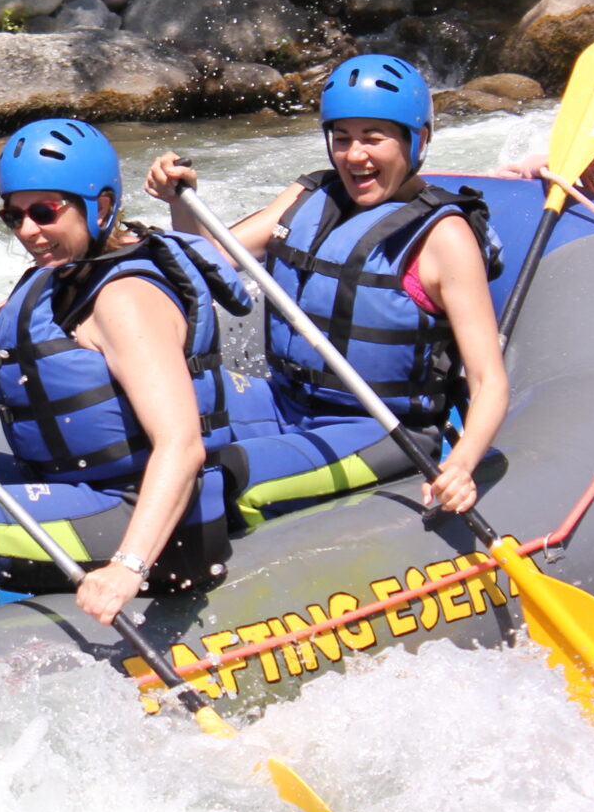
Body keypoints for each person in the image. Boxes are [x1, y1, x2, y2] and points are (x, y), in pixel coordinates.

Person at [0, 119, 251, 625]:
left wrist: (126, 567)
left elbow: (181, 445)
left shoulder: (126, 300)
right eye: (14, 216)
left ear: (99, 207)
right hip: (70, 487)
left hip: (139, 516)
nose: (28, 231)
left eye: (45, 212)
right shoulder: (54, 280)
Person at [147, 53, 508, 527]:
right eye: (342, 138)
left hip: (378, 431)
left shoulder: (444, 237)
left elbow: (489, 380)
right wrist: (180, 199)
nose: (354, 155)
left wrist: (460, 465)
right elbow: (211, 255)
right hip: (284, 401)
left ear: (416, 141)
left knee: (225, 477)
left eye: (373, 139)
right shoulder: (310, 197)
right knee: (151, 405)